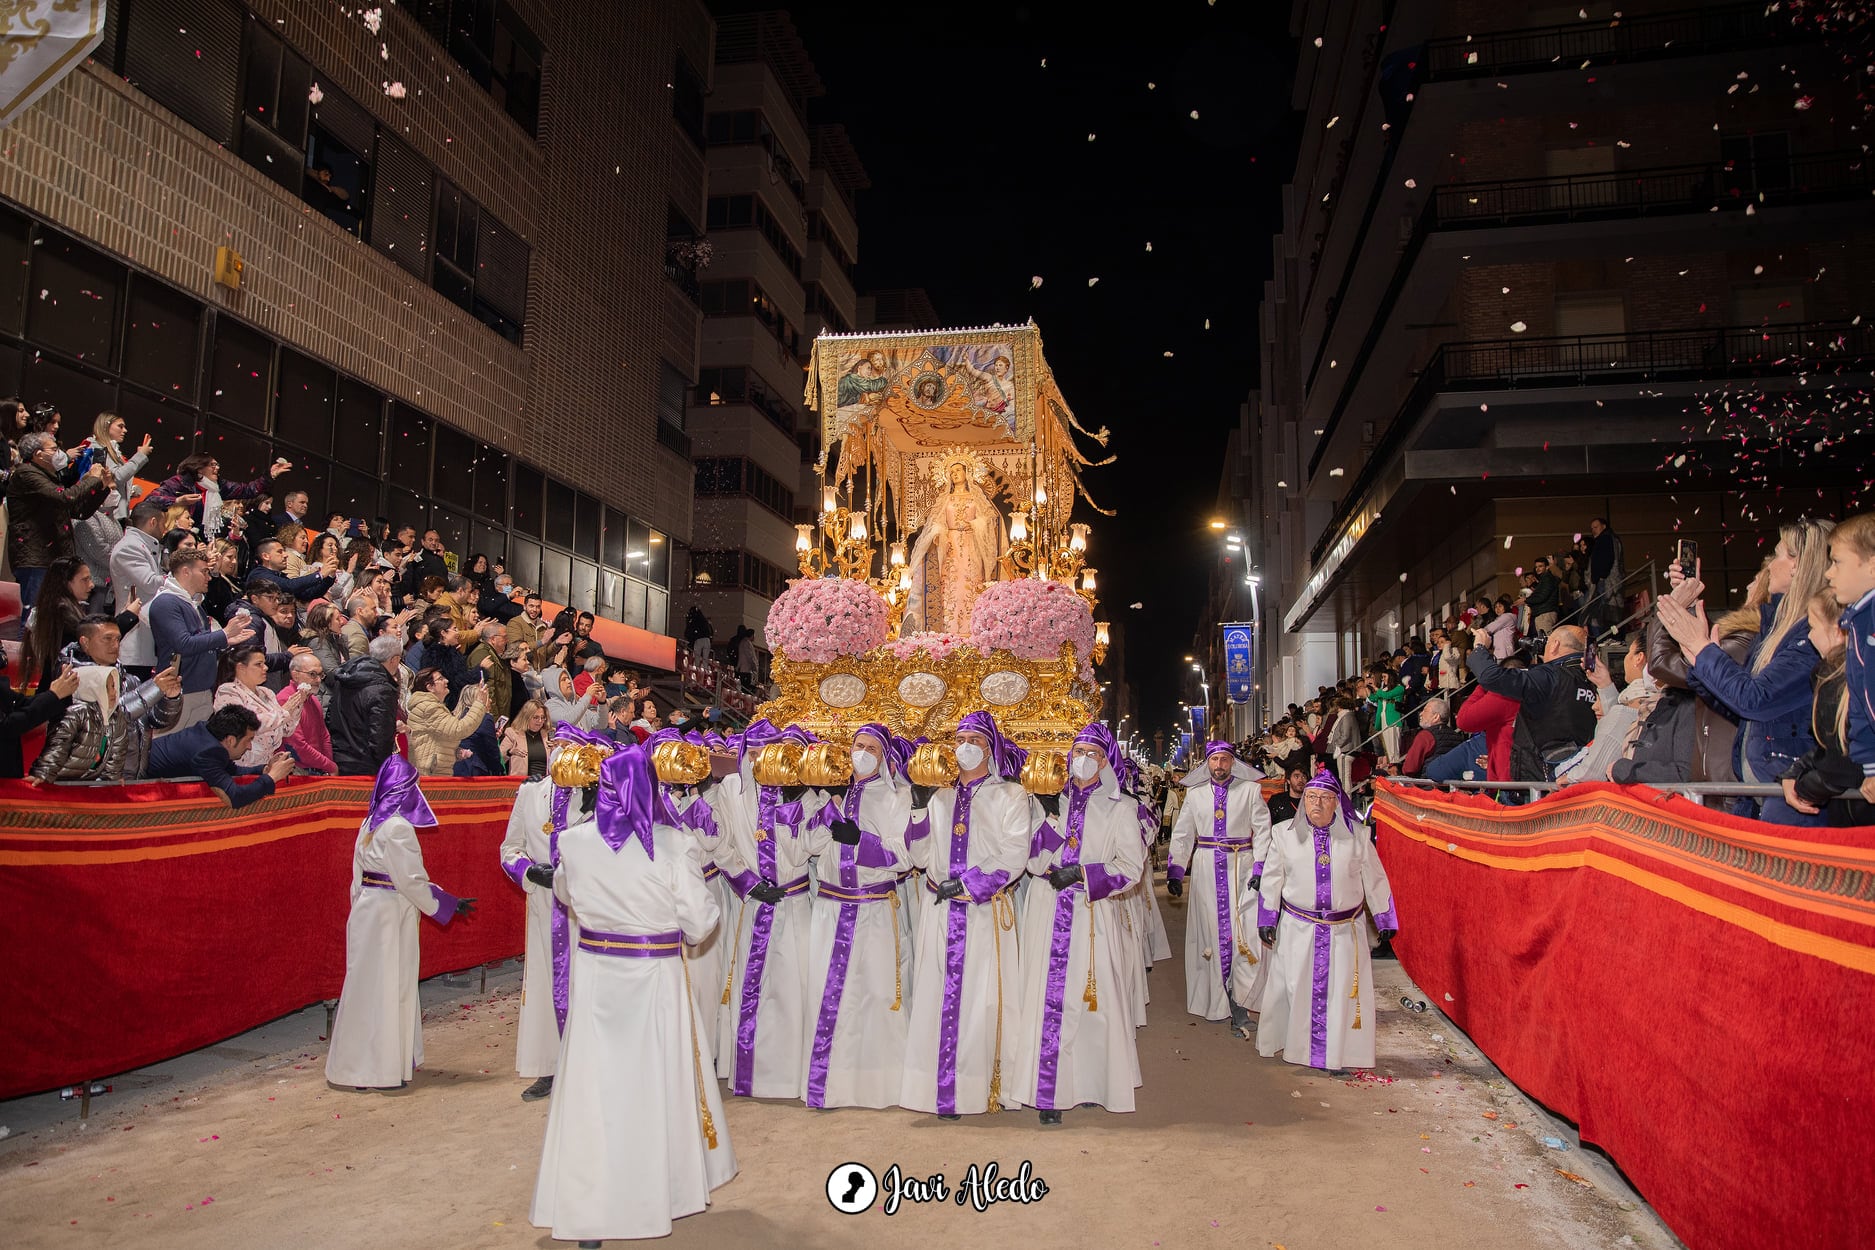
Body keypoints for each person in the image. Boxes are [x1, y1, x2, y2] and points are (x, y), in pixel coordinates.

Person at [528, 745, 736, 1245]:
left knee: (594, 1085)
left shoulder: (574, 843)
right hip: (655, 978)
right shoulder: (673, 844)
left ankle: (587, 1207)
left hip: (598, 975)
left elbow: (564, 894)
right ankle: (661, 1193)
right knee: (653, 1080)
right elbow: (700, 921)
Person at [676, 721, 828, 1098]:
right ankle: (751, 1072)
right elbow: (721, 844)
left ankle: (791, 1075)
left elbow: (808, 848)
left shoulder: (804, 796)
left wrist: (793, 805)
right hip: (754, 905)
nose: (762, 762)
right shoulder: (730, 792)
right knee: (750, 987)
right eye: (755, 755)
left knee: (795, 987)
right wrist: (747, 882)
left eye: (769, 754)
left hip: (794, 906)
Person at [1008, 724, 1145, 1124]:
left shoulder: (1120, 808)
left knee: (1092, 1000)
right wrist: (1050, 820)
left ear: (1104, 762)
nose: (1082, 759)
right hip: (1047, 910)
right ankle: (1047, 1090)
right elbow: (1030, 861)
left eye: (1091, 753)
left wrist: (1084, 875)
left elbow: (1130, 868)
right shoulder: (1047, 802)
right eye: (1077, 751)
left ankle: (1091, 1083)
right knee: (1046, 1000)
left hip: (1091, 914)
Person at [896, 711, 1028, 1118]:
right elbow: (917, 856)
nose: (964, 747)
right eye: (959, 739)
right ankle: (933, 1089)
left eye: (973, 739)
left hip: (982, 913)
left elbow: (1014, 855)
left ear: (990, 748)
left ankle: (976, 1087)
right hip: (939, 910)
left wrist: (970, 884)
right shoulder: (940, 796)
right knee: (936, 996)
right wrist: (918, 810)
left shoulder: (1011, 796)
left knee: (980, 1001)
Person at [1658, 519, 1834, 824]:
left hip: (1792, 794)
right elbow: (1737, 706)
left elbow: (1755, 699)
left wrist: (1702, 651)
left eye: (1778, 554)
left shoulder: (1811, 635)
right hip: (1761, 792)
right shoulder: (1777, 629)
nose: (1769, 566)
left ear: (1797, 565)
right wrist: (1699, 659)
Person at [325, 756, 474, 1090]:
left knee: (364, 987)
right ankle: (381, 1069)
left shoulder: (370, 823)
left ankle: (352, 1066)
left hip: (367, 910)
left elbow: (357, 877)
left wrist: (358, 909)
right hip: (390, 916)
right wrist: (445, 904)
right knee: (389, 986)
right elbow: (409, 880)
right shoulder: (399, 828)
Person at [798, 723, 912, 1110]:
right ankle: (828, 1085)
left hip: (874, 909)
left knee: (875, 996)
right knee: (829, 997)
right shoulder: (834, 792)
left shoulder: (899, 796)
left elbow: (907, 855)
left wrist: (862, 840)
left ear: (883, 756)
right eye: (857, 746)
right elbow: (809, 846)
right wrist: (819, 813)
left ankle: (879, 1087)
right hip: (831, 906)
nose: (861, 753)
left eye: (870, 748)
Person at [1254, 767, 1398, 1073]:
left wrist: (1385, 920)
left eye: (1324, 798)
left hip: (1344, 932)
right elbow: (1271, 878)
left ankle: (1336, 1054)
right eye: (1311, 797)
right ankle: (1298, 1049)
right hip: (1298, 929)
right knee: (1296, 990)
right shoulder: (1284, 835)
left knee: (1342, 994)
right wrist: (1267, 917)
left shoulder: (1358, 836)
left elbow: (1374, 879)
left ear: (1337, 802)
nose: (1316, 804)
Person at [499, 725, 613, 1103]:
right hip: (543, 904)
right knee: (546, 980)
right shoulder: (530, 794)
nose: (561, 754)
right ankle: (548, 1065)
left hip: (583, 906)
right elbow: (509, 849)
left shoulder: (598, 797)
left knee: (588, 982)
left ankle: (589, 1066)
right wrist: (529, 871)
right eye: (556, 746)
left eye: (570, 748)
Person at [1165, 742, 1272, 1040]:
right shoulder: (1196, 795)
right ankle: (1217, 1001)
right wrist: (1176, 870)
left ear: (1232, 763)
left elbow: (1263, 830)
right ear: (1207, 764)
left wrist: (1261, 869)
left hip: (1242, 868)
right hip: (1206, 870)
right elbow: (1184, 833)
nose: (1220, 765)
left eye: (1225, 759)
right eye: (1215, 760)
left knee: (1244, 934)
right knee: (1211, 934)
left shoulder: (1250, 791)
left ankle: (1243, 999)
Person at [29, 624, 181, 782]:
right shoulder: (74, 681)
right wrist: (153, 689)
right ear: (85, 642)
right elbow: (110, 713)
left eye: (118, 639)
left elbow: (154, 721)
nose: (115, 645)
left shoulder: (131, 680)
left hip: (128, 778)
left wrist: (171, 699)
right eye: (107, 639)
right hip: (78, 786)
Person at [1469, 626, 1597, 783]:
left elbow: (1491, 677)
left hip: (1540, 778)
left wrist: (1479, 648)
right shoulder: (1595, 679)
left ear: (1555, 645)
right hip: (1577, 770)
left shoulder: (1550, 677)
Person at [148, 548, 256, 732]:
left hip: (200, 687)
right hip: (181, 691)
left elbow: (200, 640)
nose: (209, 576)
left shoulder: (194, 603)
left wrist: (225, 641)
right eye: (204, 571)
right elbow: (184, 644)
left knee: (195, 753)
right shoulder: (166, 602)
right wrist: (224, 634)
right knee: (174, 750)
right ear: (185, 572)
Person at [7, 431, 108, 607]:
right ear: (39, 454)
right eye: (54, 449)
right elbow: (65, 498)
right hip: (36, 557)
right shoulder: (26, 474)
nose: (60, 453)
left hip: (53, 557)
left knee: (51, 617)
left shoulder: (48, 478)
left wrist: (102, 487)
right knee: (34, 615)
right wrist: (91, 479)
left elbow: (78, 511)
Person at [146, 704, 295, 807]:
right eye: (248, 740)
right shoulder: (207, 753)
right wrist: (272, 778)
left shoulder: (210, 733)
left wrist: (265, 769)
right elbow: (235, 798)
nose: (249, 747)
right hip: (139, 784)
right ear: (230, 740)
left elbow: (232, 771)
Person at [1824, 513, 1875, 808]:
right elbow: (1860, 703)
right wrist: (1871, 765)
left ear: (1871, 566)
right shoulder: (1856, 621)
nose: (1829, 573)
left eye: (1837, 562)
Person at [147, 452, 290, 537]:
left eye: (217, 465)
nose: (217, 468)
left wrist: (270, 475)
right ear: (199, 468)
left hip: (203, 539)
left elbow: (248, 490)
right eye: (213, 465)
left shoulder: (218, 486)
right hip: (176, 537)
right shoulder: (179, 482)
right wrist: (178, 500)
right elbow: (152, 499)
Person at [213, 644, 310, 767]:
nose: (265, 668)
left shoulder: (266, 692)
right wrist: (284, 711)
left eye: (264, 663)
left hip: (266, 764)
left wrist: (296, 706)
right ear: (241, 668)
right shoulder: (227, 690)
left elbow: (285, 730)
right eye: (259, 664)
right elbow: (246, 725)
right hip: (241, 765)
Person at [110, 497, 172, 675]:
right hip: (133, 637)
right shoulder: (129, 547)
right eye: (163, 524)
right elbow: (150, 583)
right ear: (153, 522)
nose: (165, 530)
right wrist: (177, 578)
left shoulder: (141, 545)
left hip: (145, 633)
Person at [329, 635, 404, 775]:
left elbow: (330, 716)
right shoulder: (383, 690)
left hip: (339, 756)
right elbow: (380, 736)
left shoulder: (345, 678)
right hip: (366, 765)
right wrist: (385, 768)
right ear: (395, 660)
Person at [407, 665, 491, 774]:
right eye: (440, 679)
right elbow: (458, 729)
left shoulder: (433, 706)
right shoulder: (428, 708)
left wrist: (455, 752)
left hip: (435, 772)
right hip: (429, 775)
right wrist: (479, 703)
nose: (446, 681)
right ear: (430, 687)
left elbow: (438, 739)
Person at [279, 652, 336, 774]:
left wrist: (328, 766)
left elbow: (324, 736)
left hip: (317, 768)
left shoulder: (313, 700)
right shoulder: (285, 699)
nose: (318, 680)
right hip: (297, 770)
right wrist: (329, 766)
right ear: (295, 675)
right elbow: (297, 746)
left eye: (321, 675)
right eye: (312, 674)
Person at [1400, 699, 1469, 778]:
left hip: (1428, 785)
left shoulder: (1425, 736)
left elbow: (1409, 768)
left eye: (1425, 710)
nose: (1421, 714)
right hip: (1451, 786)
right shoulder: (1457, 737)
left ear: (1436, 717)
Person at [1587, 517, 1625, 633]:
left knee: (1607, 610)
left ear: (1603, 526)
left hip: (1606, 580)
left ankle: (1612, 636)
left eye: (1596, 527)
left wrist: (1599, 577)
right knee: (1604, 611)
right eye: (1592, 528)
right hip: (1605, 579)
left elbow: (1605, 559)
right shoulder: (1609, 539)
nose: (1593, 530)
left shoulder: (1606, 539)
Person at [503, 695, 553, 779]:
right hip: (521, 785)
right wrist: (509, 752)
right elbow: (499, 758)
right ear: (526, 717)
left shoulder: (548, 734)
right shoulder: (513, 733)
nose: (540, 721)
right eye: (536, 717)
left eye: (543, 717)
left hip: (544, 784)